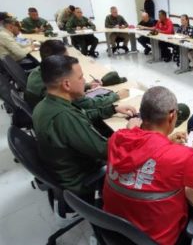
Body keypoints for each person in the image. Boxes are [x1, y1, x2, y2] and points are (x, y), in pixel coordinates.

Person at [103, 86, 193, 244]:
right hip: (156, 238)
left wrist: (165, 142)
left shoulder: (117, 139)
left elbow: (142, 150)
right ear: (172, 115)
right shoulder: (180, 157)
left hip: (114, 229)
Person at [32, 55, 136, 198]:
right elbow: (106, 151)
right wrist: (131, 130)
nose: (85, 81)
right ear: (67, 84)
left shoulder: (45, 104)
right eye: (80, 78)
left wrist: (112, 109)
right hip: (83, 180)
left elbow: (81, 117)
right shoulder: (64, 117)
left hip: (66, 169)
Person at [25, 40, 129, 109]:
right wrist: (116, 96)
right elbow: (84, 104)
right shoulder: (49, 87)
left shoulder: (39, 71)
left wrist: (86, 86)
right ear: (56, 61)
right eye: (67, 58)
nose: (69, 61)